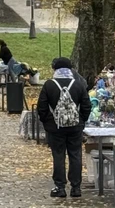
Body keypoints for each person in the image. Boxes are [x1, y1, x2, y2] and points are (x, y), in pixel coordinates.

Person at [36, 57, 90, 198]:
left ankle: (60, 187)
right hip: (75, 126)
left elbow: (42, 107)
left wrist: (48, 122)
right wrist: (81, 121)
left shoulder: (49, 85)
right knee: (75, 155)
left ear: (55, 69)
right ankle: (76, 187)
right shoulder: (78, 84)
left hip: (55, 127)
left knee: (58, 155)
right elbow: (86, 105)